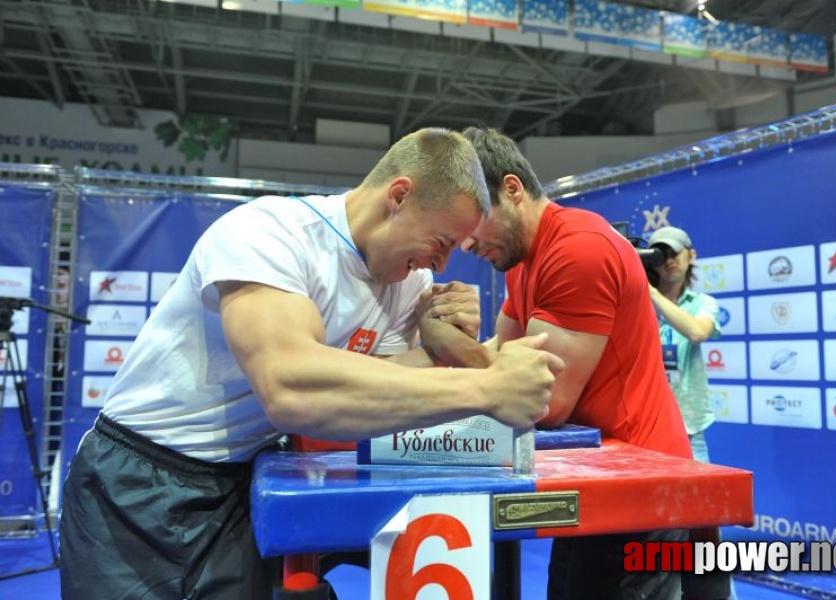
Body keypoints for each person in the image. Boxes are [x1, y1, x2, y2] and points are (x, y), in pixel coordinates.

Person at [58, 127, 563, 599]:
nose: (443, 265)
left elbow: (374, 389)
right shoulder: (270, 233)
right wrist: (488, 387)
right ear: (399, 196)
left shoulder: (407, 285)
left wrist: (451, 354)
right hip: (139, 479)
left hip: (241, 482)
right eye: (441, 243)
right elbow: (290, 388)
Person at [450, 127, 692, 600]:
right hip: (596, 472)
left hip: (641, 484)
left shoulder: (577, 249)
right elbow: (496, 356)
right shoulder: (522, 261)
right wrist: (454, 347)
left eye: (471, 224)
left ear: (512, 190)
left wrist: (459, 360)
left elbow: (542, 399)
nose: (464, 246)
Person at [648, 226, 736, 600]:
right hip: (646, 433)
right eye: (658, 254)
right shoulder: (632, 301)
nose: (667, 260)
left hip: (689, 430)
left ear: (691, 256)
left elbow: (697, 332)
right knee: (650, 526)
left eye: (674, 253)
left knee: (703, 526)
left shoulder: (703, 303)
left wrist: (649, 294)